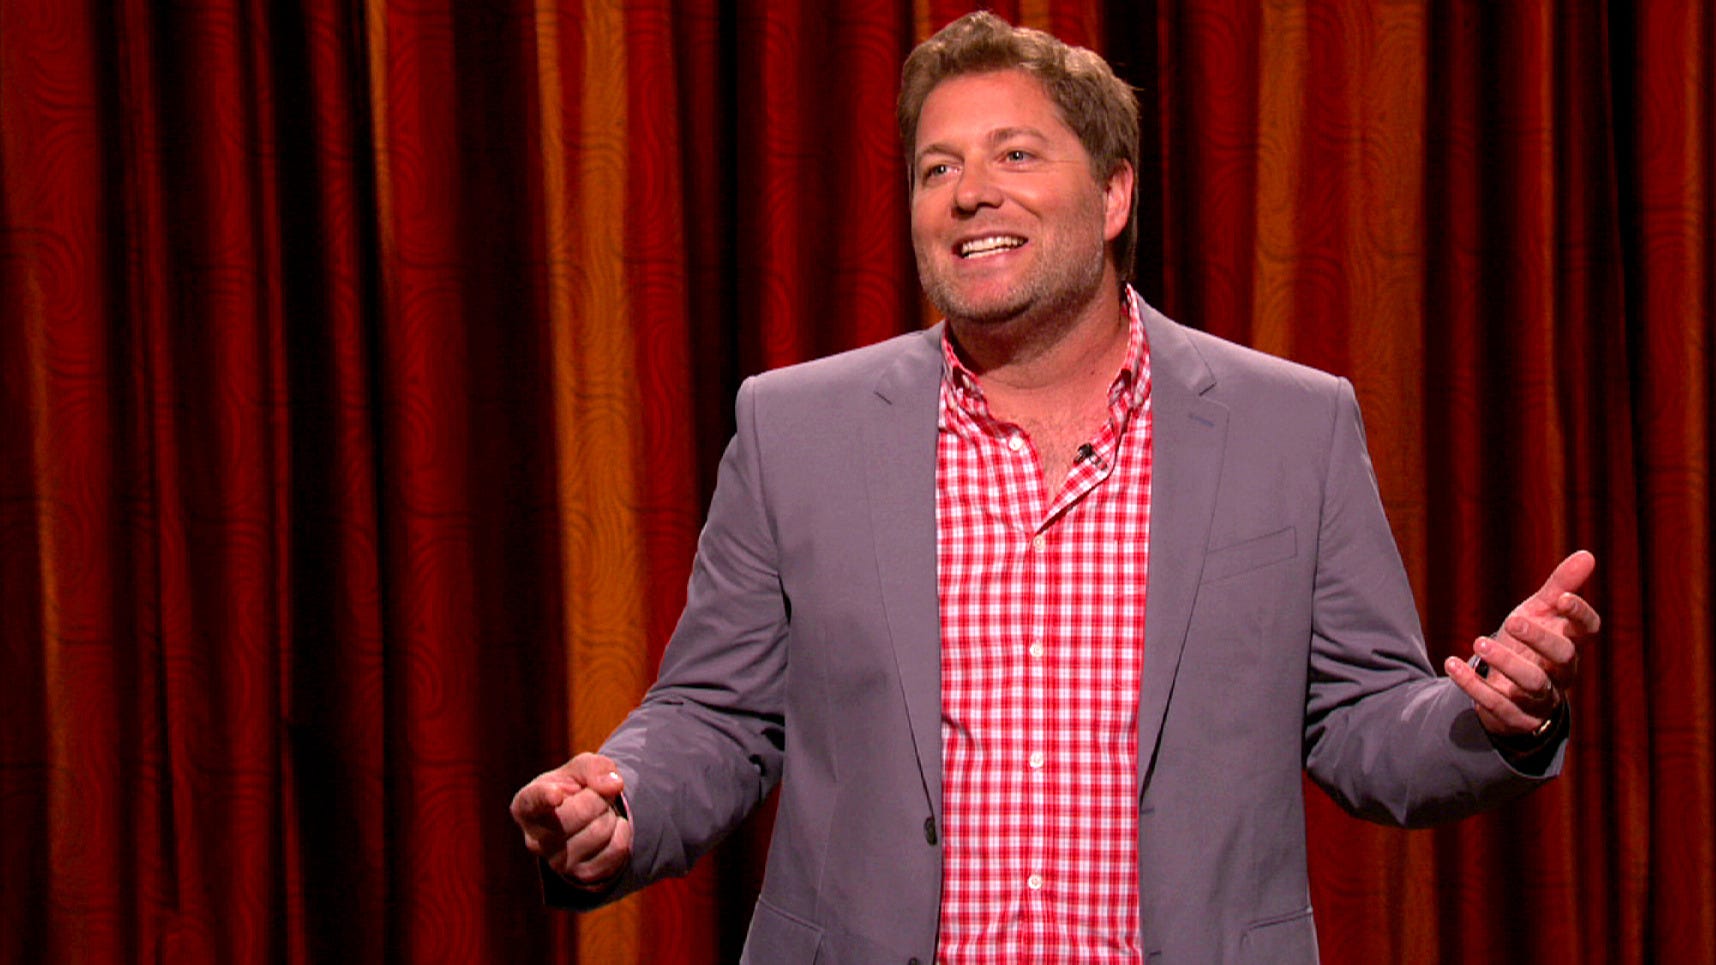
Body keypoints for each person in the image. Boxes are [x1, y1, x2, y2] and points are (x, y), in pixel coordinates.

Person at [511, 12, 1600, 963]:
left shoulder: (1292, 425)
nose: (969, 192)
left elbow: (1365, 725)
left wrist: (1498, 717)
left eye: (1016, 154)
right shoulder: (795, 428)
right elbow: (715, 713)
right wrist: (621, 799)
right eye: (936, 168)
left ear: (1115, 193)